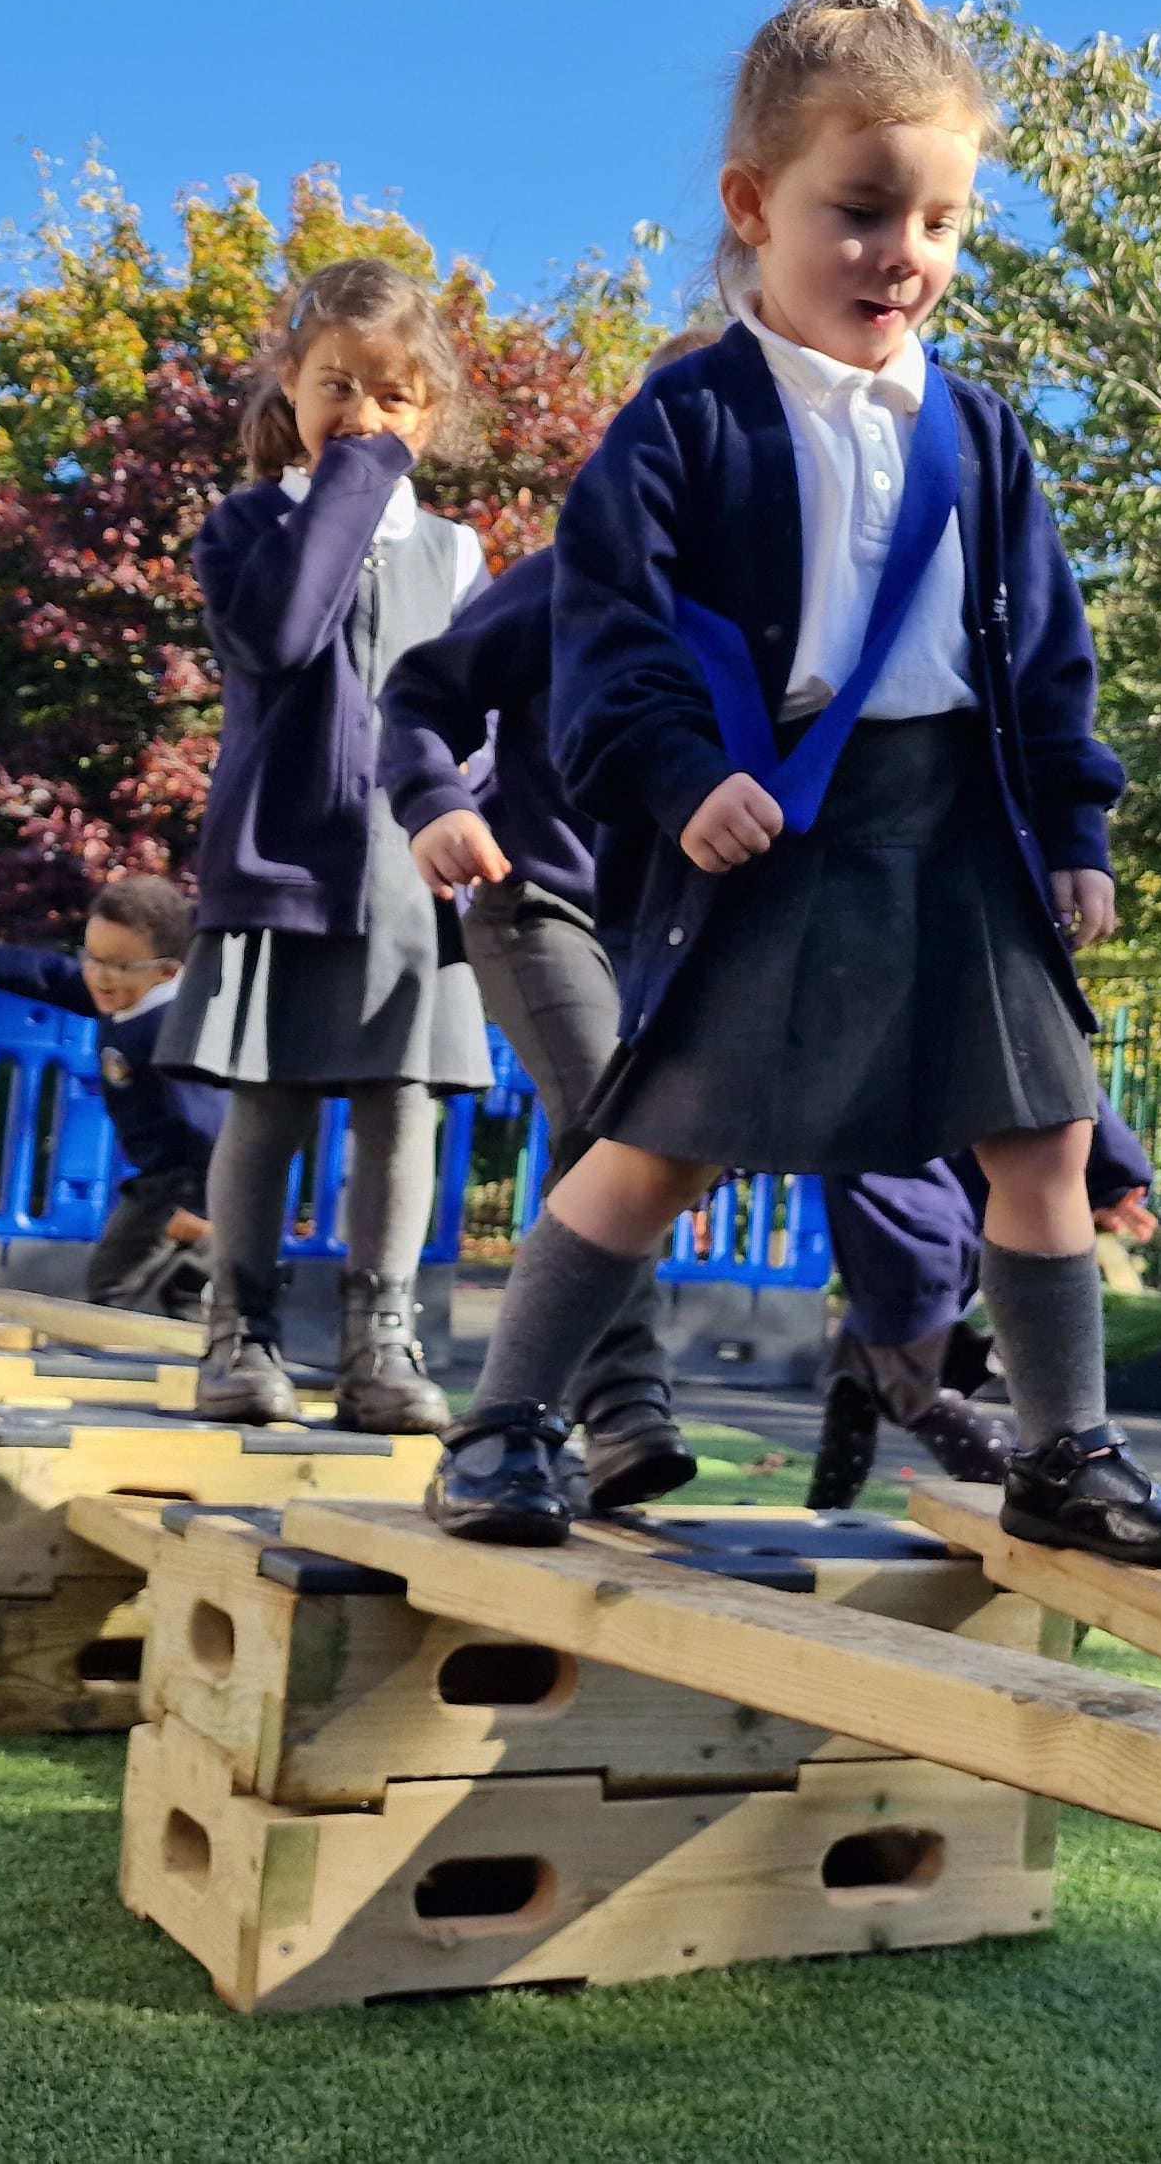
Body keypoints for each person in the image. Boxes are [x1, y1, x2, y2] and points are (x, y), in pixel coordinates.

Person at [433, 0, 1161, 1567]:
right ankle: (506, 1423)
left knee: (1046, 1133)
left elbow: (1050, 656)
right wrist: (674, 777)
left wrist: (1076, 827)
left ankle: (1066, 1447)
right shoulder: (687, 422)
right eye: (863, 212)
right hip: (773, 824)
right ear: (752, 201)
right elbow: (612, 633)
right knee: (660, 1142)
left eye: (937, 222)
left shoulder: (986, 435)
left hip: (965, 826)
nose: (903, 256)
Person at [375, 326, 730, 1511]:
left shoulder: (791, 610)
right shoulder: (579, 572)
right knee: (612, 1117)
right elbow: (425, 692)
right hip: (538, 901)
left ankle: (604, 1406)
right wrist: (431, 802)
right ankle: (607, 1407)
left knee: (647, 1152)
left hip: (668, 938)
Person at [157, 258, 493, 1431]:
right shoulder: (249, 526)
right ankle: (238, 1336)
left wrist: (473, 800)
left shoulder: (453, 552)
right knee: (272, 1095)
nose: (365, 417)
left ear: (433, 414)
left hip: (407, 873)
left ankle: (380, 1342)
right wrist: (351, 480)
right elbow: (284, 637)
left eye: (395, 398)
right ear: (288, 396)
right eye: (337, 388)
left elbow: (473, 710)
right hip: (283, 855)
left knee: (406, 1101)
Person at [806, 1099, 1159, 1509]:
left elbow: (1055, 1076)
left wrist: (1113, 1180)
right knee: (856, 1379)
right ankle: (826, 1511)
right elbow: (1051, 1075)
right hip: (918, 1241)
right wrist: (1115, 1177)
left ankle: (1043, 1499)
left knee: (912, 1395)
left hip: (904, 1241)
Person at [0, 874, 223, 1315]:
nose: (99, 977)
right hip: (164, 1174)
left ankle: (167, 1343)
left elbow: (214, 1123)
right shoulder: (121, 994)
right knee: (152, 1284)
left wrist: (200, 1206)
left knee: (115, 1282)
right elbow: (51, 976)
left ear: (169, 971)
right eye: (93, 957)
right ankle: (199, 1331)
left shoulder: (172, 1031)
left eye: (119, 966)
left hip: (191, 1180)